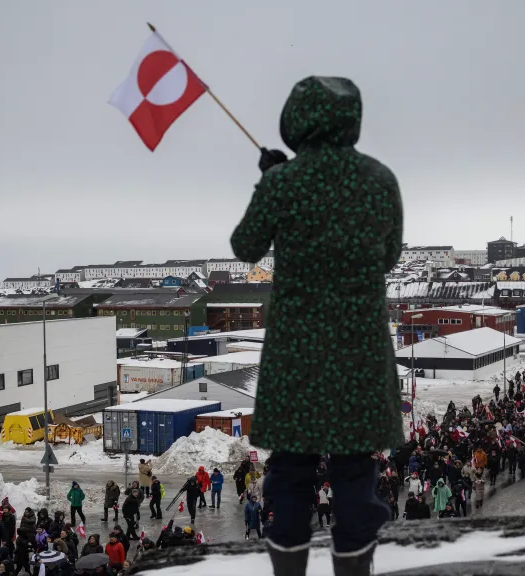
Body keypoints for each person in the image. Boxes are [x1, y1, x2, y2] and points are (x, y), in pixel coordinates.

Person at [231, 76, 403, 575]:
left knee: (290, 473)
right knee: (355, 472)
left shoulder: (284, 183)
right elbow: (390, 256)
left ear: (296, 120)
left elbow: (246, 247)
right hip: (359, 348)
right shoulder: (379, 179)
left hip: (296, 352)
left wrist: (271, 181)